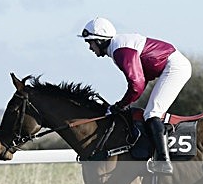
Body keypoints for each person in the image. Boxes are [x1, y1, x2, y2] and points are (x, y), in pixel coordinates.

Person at [79, 17, 192, 174]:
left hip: (175, 67)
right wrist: (123, 103)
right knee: (149, 112)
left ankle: (163, 161)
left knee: (152, 113)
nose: (90, 48)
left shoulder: (121, 51)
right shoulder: (118, 48)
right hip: (172, 65)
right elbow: (140, 82)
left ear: (99, 41)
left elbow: (137, 85)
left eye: (90, 42)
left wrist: (119, 105)